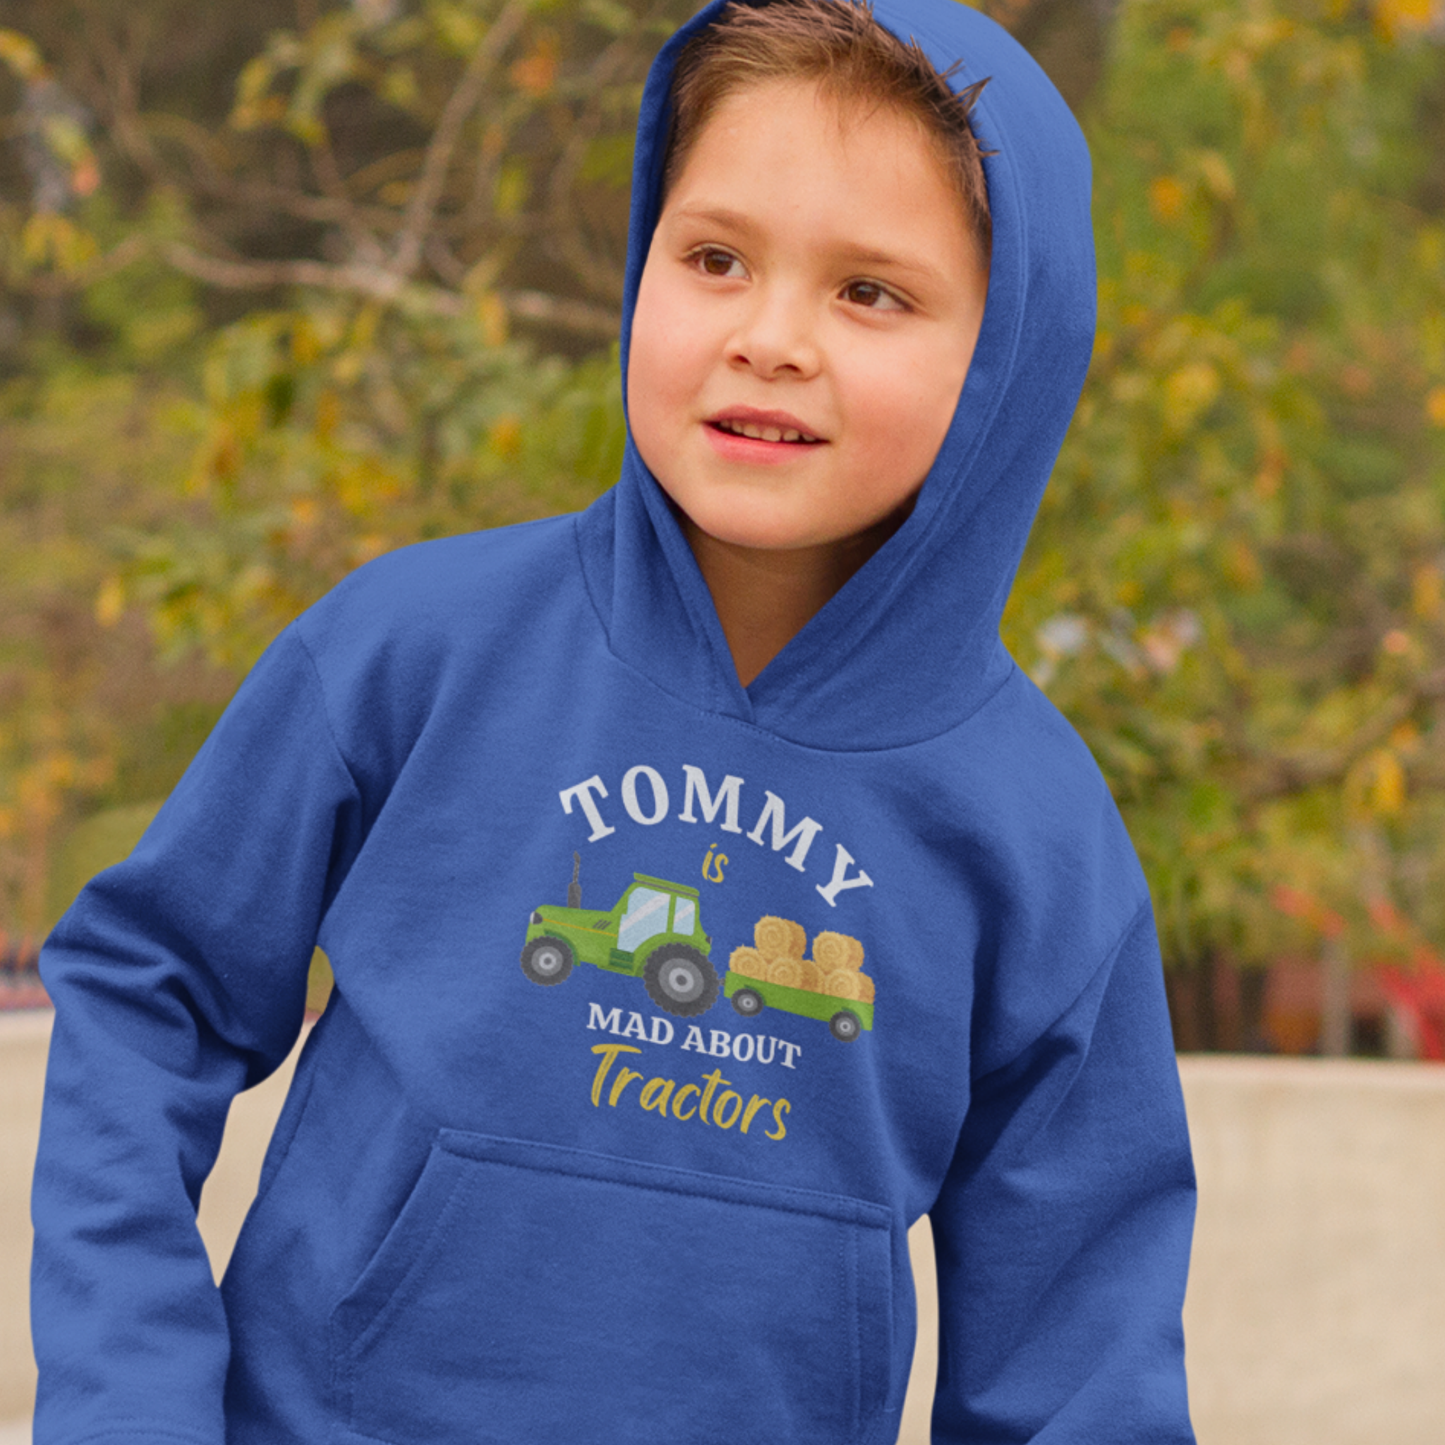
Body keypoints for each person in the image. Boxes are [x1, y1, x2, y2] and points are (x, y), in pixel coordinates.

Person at [30, 0, 1198, 1440]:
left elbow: (1084, 1356)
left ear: (1009, 358)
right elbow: (147, 996)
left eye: (869, 292)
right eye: (716, 259)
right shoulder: (414, 647)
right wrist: (128, 1402)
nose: (770, 339)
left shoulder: (1038, 831)